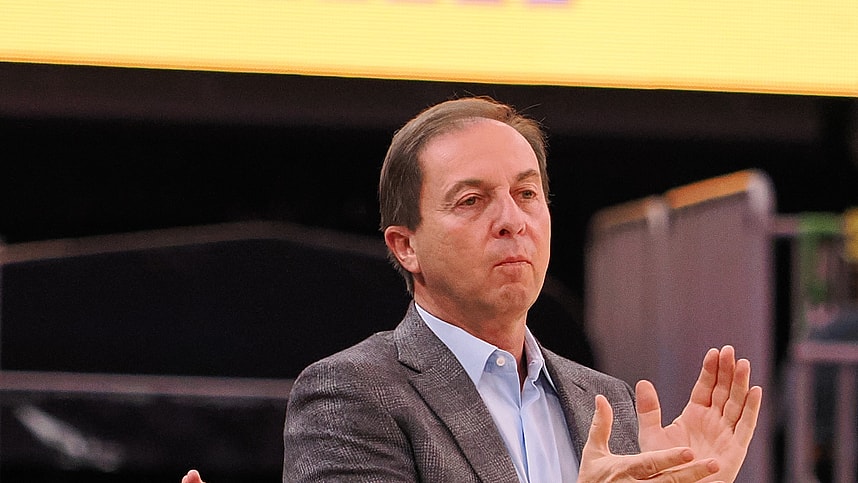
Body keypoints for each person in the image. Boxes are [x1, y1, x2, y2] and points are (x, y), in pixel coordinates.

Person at [183, 96, 762, 483]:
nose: (512, 220)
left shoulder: (606, 402)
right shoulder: (353, 395)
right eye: (472, 200)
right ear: (406, 246)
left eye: (527, 194)